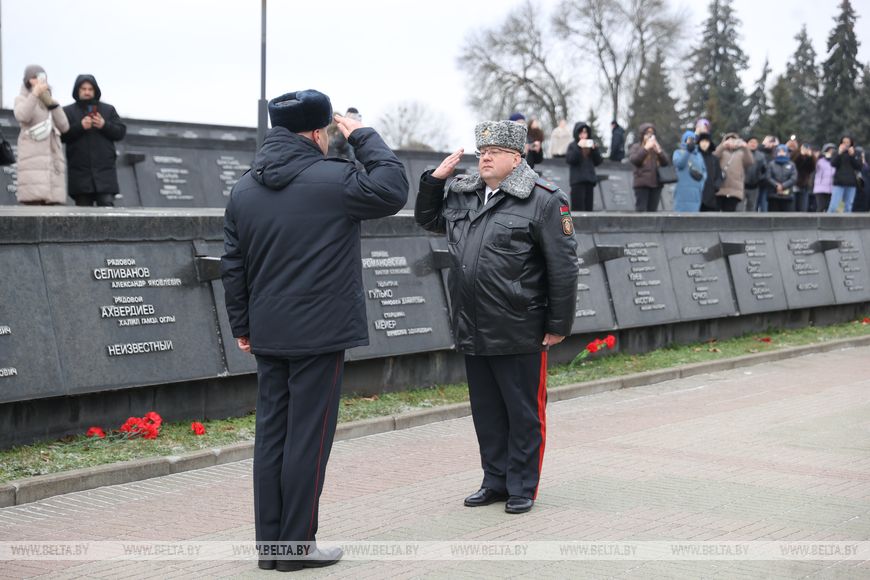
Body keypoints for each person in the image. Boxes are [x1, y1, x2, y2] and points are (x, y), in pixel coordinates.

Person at [221, 90, 408, 571]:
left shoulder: (244, 189)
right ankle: (298, 547)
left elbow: (233, 265)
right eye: (327, 131)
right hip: (320, 334)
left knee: (272, 438)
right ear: (316, 133)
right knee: (308, 439)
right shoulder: (335, 179)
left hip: (268, 331)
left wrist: (242, 324)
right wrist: (362, 135)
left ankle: (271, 549)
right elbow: (393, 189)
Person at [415, 120, 578, 515]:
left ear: (517, 158)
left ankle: (522, 485)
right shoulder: (465, 194)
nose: (485, 157)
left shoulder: (544, 200)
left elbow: (563, 267)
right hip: (474, 324)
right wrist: (435, 182)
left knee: (522, 412)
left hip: (519, 327)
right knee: (487, 413)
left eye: (495, 152)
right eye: (482, 151)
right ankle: (495, 480)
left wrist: (558, 325)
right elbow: (428, 219)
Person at [61, 75, 127, 207]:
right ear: (77, 91)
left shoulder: (108, 109)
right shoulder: (67, 111)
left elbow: (120, 132)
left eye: (90, 89)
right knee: (83, 213)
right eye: (83, 89)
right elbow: (61, 136)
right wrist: (80, 127)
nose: (87, 92)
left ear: (95, 91)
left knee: (107, 208)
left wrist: (104, 125)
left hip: (105, 173)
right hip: (80, 173)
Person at [13, 65, 70, 205]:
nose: (38, 80)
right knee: (33, 204)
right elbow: (22, 116)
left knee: (53, 210)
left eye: (41, 77)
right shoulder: (21, 99)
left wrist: (52, 104)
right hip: (32, 159)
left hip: (53, 160)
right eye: (34, 77)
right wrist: (34, 95)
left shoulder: (51, 101)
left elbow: (64, 127)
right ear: (27, 81)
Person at [628, 123, 669, 212]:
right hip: (642, 184)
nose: (650, 135)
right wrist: (646, 148)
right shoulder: (636, 147)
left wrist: (659, 151)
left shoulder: (656, 147)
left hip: (656, 185)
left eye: (652, 133)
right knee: (641, 211)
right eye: (647, 133)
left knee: (653, 212)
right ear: (642, 135)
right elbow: (635, 160)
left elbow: (666, 162)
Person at [565, 121, 603, 211]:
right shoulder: (572, 146)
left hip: (589, 182)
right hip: (577, 182)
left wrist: (595, 150)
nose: (583, 135)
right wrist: (579, 147)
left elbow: (598, 161)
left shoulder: (591, 145)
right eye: (581, 132)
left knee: (589, 210)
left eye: (585, 132)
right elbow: (570, 160)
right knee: (578, 209)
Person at [713, 133, 753, 212]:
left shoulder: (741, 154)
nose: (731, 142)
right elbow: (714, 156)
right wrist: (722, 146)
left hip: (734, 190)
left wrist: (745, 148)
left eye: (733, 140)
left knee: (730, 213)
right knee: (716, 213)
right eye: (729, 140)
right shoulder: (722, 152)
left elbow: (750, 162)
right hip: (719, 188)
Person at [672, 130, 706, 212]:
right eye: (689, 139)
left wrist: (701, 184)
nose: (692, 141)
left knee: (694, 215)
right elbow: (679, 164)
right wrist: (688, 151)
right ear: (684, 140)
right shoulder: (678, 152)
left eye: (694, 139)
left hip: (695, 192)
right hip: (682, 191)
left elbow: (704, 171)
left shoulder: (698, 155)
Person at [828, 136, 862, 213]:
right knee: (833, 206)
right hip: (839, 182)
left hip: (851, 182)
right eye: (844, 142)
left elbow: (859, 166)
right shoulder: (836, 152)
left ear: (851, 143)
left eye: (848, 142)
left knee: (848, 206)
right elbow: (833, 163)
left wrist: (853, 155)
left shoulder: (856, 153)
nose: (846, 144)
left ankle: (847, 220)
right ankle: (828, 219)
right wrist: (839, 153)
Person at [766, 144, 798, 212]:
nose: (781, 153)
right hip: (773, 195)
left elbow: (793, 178)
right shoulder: (771, 164)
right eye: (779, 151)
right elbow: (768, 177)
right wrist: (776, 185)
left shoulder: (791, 164)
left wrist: (783, 186)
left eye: (783, 151)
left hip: (788, 195)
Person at [788, 137, 815, 212]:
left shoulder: (811, 156)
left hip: (804, 184)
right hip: (794, 183)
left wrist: (810, 157)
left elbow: (812, 168)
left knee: (803, 208)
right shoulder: (795, 154)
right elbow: (794, 165)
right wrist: (801, 155)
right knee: (792, 208)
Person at [697, 133, 721, 212]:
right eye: (702, 141)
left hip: (711, 195)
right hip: (697, 193)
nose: (704, 144)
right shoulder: (695, 156)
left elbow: (719, 175)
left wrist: (716, 186)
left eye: (706, 141)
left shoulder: (714, 159)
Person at [743, 137, 768, 212]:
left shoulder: (761, 156)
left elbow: (765, 170)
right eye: (751, 142)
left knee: (752, 207)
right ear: (747, 143)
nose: (753, 144)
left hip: (755, 186)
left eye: (755, 142)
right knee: (740, 208)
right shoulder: (742, 153)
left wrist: (760, 178)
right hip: (742, 185)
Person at [756, 135, 779, 212]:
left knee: (764, 204)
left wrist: (775, 147)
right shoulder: (759, 150)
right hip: (757, 181)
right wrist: (764, 145)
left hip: (768, 182)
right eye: (769, 141)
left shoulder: (775, 152)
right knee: (755, 204)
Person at [813, 144, 836, 212]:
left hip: (831, 188)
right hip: (820, 188)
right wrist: (816, 157)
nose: (830, 153)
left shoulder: (835, 162)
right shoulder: (819, 161)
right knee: (821, 207)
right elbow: (813, 166)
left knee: (828, 208)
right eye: (829, 151)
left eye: (832, 151)